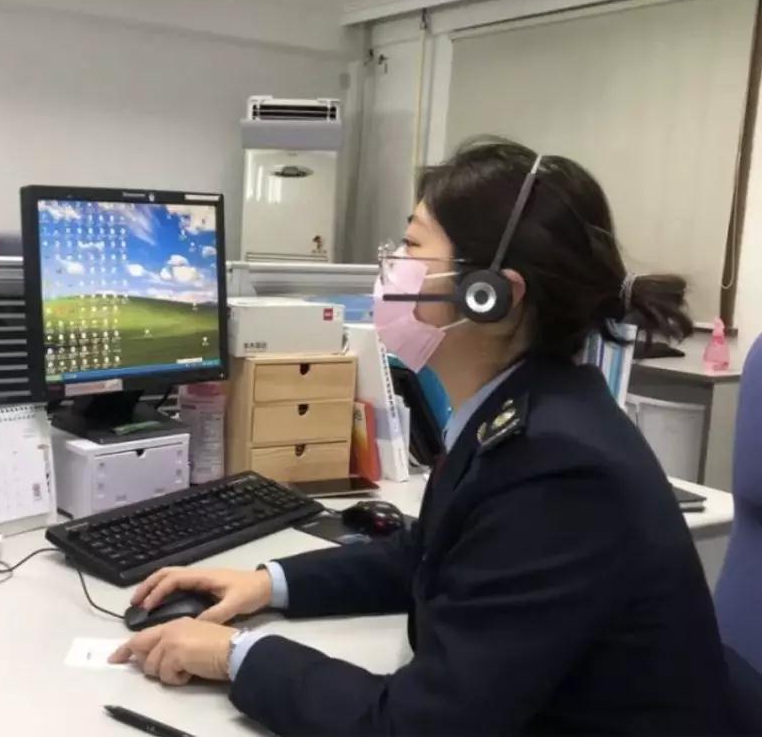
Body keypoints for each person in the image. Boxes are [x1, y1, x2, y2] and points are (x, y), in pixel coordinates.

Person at [109, 139, 737, 735]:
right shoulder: (522, 411)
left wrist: (237, 655)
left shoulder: (559, 471)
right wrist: (267, 583)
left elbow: (417, 727)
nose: (388, 269)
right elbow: (427, 555)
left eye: (410, 246)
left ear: (491, 296)